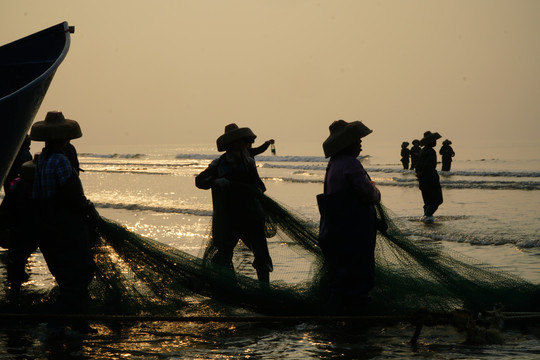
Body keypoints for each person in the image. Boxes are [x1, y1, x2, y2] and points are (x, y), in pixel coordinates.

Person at [30, 111, 98, 333]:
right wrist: (88, 210)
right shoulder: (61, 160)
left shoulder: (41, 160)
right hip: (65, 226)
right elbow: (71, 195)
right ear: (63, 138)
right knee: (83, 270)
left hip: (45, 225)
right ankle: (57, 321)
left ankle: (76, 322)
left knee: (66, 275)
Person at [316, 120, 381, 314]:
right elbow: (368, 194)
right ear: (347, 143)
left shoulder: (333, 165)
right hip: (353, 232)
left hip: (334, 231)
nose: (360, 143)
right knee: (359, 277)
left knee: (342, 278)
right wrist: (376, 191)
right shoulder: (351, 164)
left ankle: (336, 319)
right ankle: (354, 324)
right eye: (357, 140)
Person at [195, 123, 273, 283]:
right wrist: (217, 181)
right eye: (242, 142)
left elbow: (260, 186)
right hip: (228, 218)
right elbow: (200, 181)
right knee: (224, 254)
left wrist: (252, 190)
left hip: (251, 216)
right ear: (232, 144)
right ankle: (228, 288)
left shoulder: (249, 162)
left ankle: (265, 290)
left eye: (245, 142)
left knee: (261, 255)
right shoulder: (218, 164)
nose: (246, 145)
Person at [0, 159, 39, 303]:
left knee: (16, 256)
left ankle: (14, 290)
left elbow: (5, 209)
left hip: (15, 228)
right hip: (24, 229)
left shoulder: (16, 186)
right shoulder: (31, 189)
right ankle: (15, 293)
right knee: (18, 256)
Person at [415, 131, 443, 223]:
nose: (435, 142)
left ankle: (427, 218)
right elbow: (429, 166)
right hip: (430, 179)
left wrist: (420, 174)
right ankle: (427, 216)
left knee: (427, 202)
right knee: (437, 200)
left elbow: (418, 165)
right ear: (431, 142)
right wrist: (423, 173)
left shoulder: (422, 151)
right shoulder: (431, 151)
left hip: (423, 180)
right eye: (434, 140)